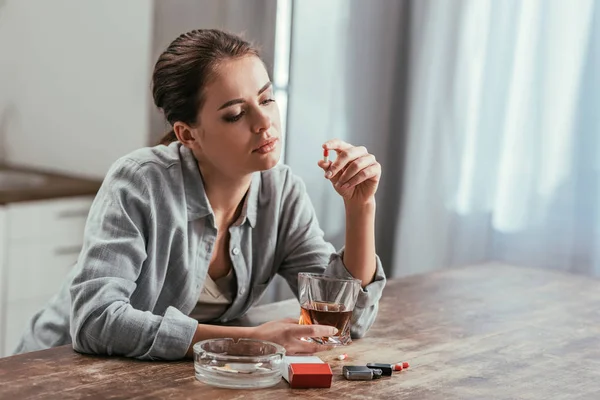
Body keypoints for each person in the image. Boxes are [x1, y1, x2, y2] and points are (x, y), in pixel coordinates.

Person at [14, 29, 386, 360]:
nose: (263, 122)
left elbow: (346, 322)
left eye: (267, 99)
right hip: (53, 370)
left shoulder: (282, 192)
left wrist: (360, 207)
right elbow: (96, 321)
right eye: (236, 113)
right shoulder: (139, 183)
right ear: (188, 134)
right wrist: (247, 340)